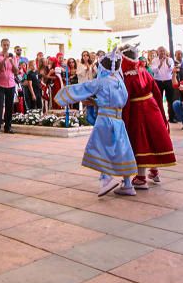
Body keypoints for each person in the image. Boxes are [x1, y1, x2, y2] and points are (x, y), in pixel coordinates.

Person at [55, 54, 138, 196]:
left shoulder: (102, 82)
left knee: (101, 147)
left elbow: (82, 88)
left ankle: (106, 179)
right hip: (118, 119)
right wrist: (96, 102)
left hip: (105, 119)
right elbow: (117, 101)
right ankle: (128, 184)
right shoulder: (120, 82)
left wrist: (61, 96)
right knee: (122, 149)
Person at [118, 47, 175, 189]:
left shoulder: (128, 77)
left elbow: (126, 99)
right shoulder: (143, 71)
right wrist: (161, 112)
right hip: (152, 107)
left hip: (138, 111)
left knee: (140, 142)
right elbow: (156, 91)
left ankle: (141, 178)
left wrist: (123, 119)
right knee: (152, 138)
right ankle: (154, 171)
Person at [0, 38, 17, 135]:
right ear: (1, 45)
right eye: (4, 45)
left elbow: (15, 71)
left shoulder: (13, 57)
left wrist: (11, 61)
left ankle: (8, 127)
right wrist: (5, 59)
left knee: (9, 106)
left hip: (11, 84)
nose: (6, 46)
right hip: (0, 84)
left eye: (7, 45)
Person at [149, 46, 176, 121]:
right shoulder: (155, 60)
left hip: (168, 81)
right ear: (158, 52)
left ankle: (172, 117)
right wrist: (160, 64)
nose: (162, 52)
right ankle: (160, 118)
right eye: (161, 51)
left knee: (170, 100)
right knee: (158, 100)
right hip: (158, 81)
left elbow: (171, 69)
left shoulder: (170, 59)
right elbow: (154, 71)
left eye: (163, 51)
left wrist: (167, 63)